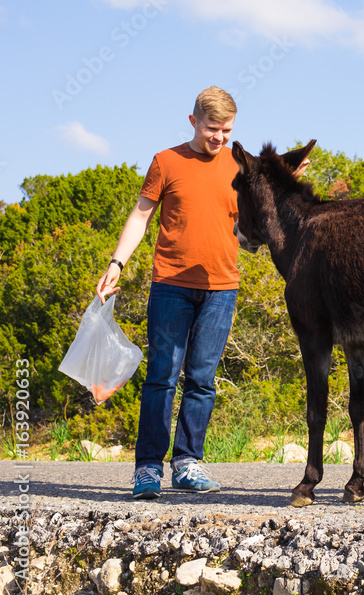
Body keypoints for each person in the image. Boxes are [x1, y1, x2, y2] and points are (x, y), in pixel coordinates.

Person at [96, 86, 307, 499]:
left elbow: (268, 202)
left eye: (227, 130)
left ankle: (188, 463)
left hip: (221, 288)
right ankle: (147, 470)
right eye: (213, 129)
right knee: (161, 377)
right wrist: (115, 263)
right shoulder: (166, 161)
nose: (221, 138)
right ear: (193, 121)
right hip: (170, 285)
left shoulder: (239, 165)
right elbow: (140, 218)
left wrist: (286, 181)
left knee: (202, 379)